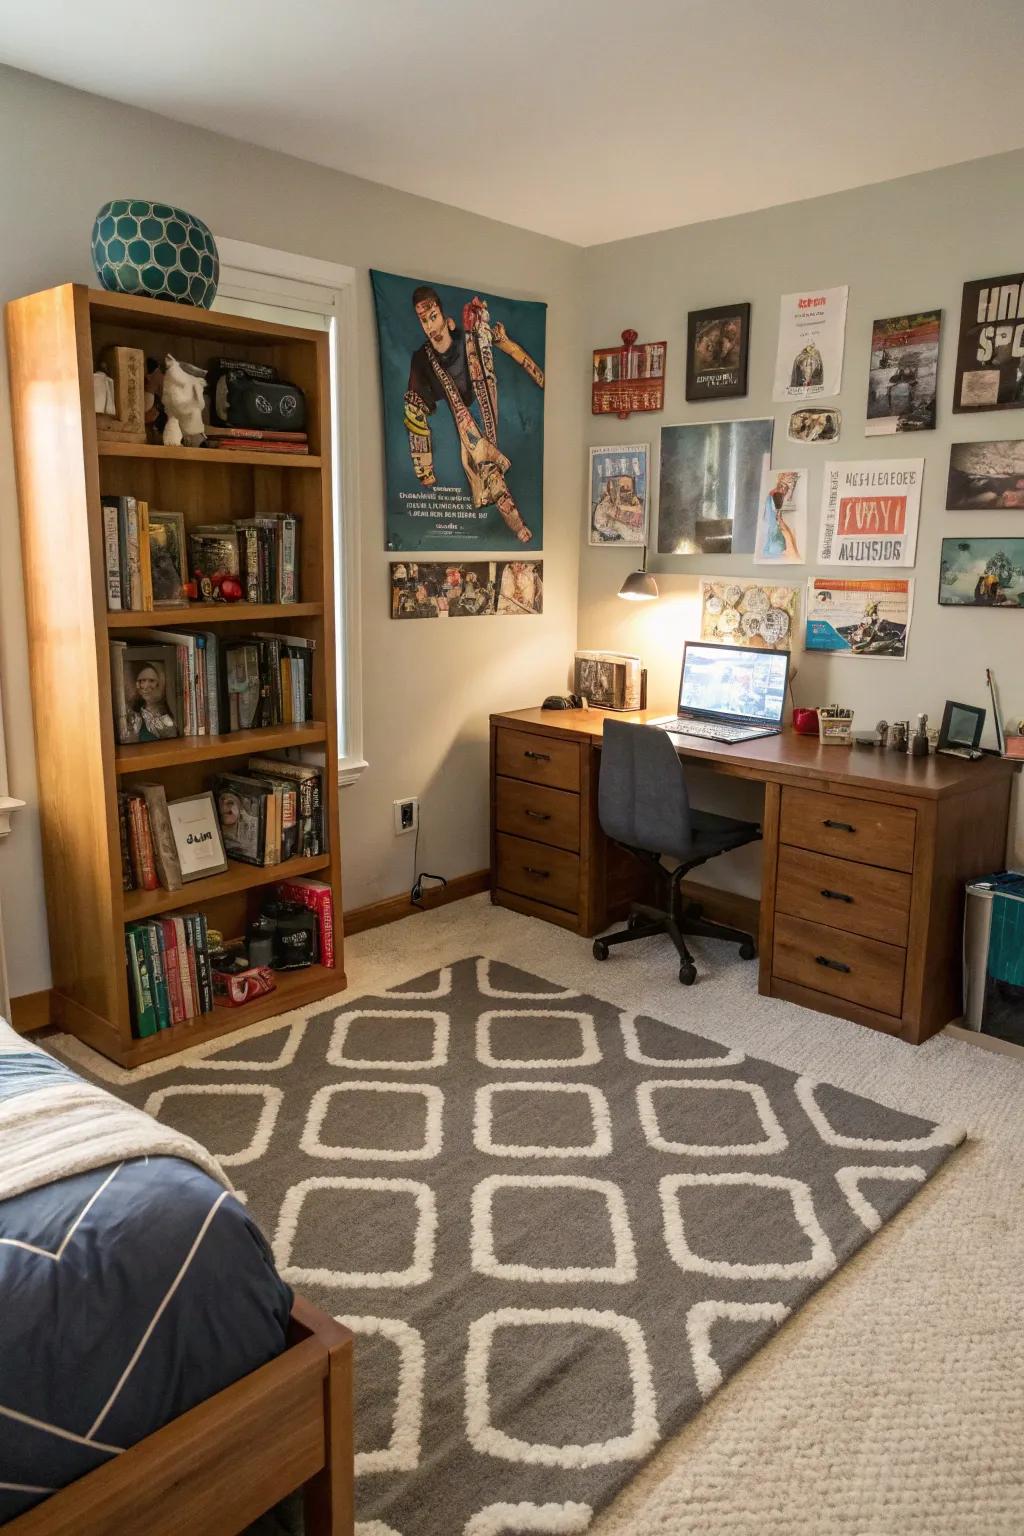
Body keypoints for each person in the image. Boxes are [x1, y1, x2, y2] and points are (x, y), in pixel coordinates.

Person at [403, 286, 544, 543]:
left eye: (433, 316)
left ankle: (518, 527)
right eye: (423, 321)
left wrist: (541, 378)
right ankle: (519, 528)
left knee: (487, 464)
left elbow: (508, 347)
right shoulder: (422, 360)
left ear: (445, 318)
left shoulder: (471, 338)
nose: (429, 325)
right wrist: (424, 468)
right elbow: (414, 412)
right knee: (485, 465)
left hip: (485, 402)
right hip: (464, 419)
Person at [126, 663, 176, 741]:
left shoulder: (168, 719)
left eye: (152, 681)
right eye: (142, 681)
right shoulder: (134, 715)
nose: (146, 686)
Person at [760, 471, 801, 561]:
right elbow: (776, 512)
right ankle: (773, 549)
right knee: (774, 530)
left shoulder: (780, 492)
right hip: (774, 519)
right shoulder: (777, 493)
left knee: (774, 530)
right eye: (791, 481)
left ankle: (771, 549)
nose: (792, 485)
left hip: (774, 518)